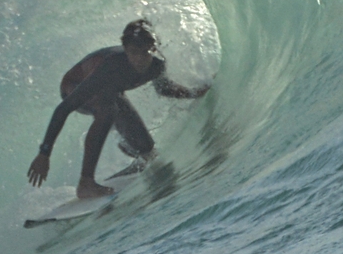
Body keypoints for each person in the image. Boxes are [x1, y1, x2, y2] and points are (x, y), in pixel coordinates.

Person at [27, 19, 209, 199]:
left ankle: (130, 148)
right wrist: (44, 153)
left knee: (147, 148)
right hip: (73, 86)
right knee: (107, 111)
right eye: (133, 52)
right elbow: (64, 108)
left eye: (145, 52)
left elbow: (164, 89)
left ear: (153, 49)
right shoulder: (111, 66)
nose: (139, 59)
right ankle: (86, 183)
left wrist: (195, 93)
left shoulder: (156, 66)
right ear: (125, 48)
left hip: (109, 95)